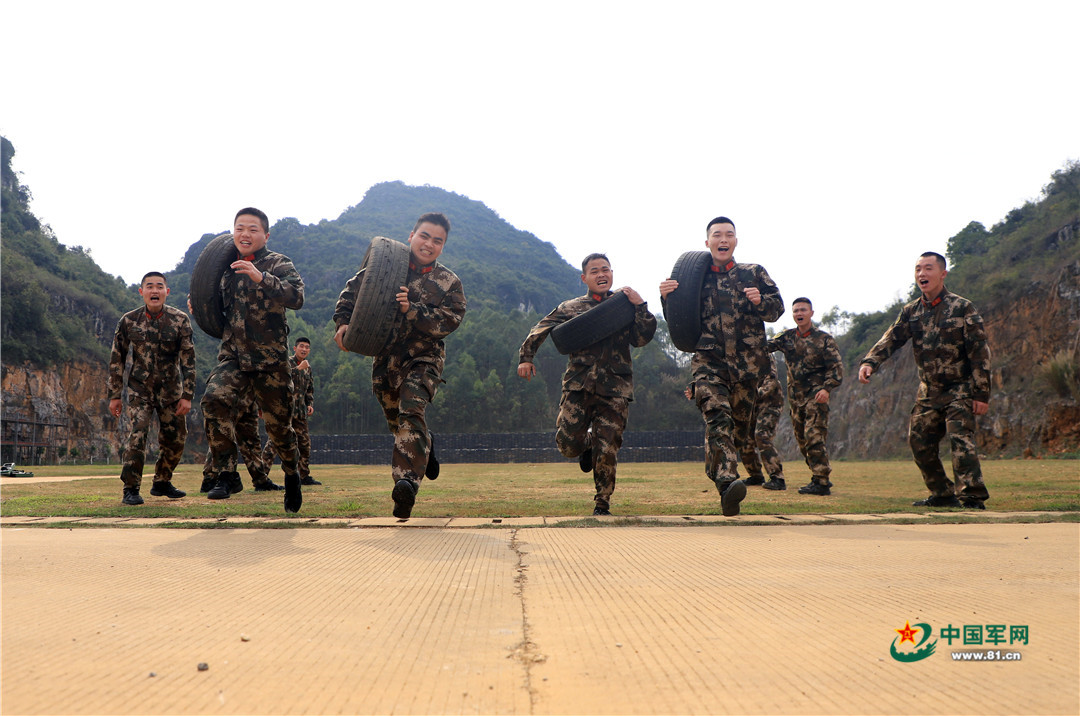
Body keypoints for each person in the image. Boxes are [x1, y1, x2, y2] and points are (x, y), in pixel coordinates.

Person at [333, 212, 466, 519]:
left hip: (424, 358)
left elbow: (448, 322)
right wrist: (342, 324)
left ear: (443, 246)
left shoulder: (449, 283)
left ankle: (406, 485)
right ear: (411, 235)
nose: (429, 244)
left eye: (437, 241)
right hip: (385, 357)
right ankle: (425, 447)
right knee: (398, 422)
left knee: (411, 409)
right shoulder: (387, 265)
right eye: (424, 236)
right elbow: (352, 292)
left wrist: (412, 309)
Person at [660, 216, 784, 516]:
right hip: (709, 363)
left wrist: (760, 301)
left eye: (729, 234)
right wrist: (666, 298)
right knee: (718, 418)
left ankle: (718, 472)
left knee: (739, 434)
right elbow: (678, 322)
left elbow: (777, 309)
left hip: (748, 368)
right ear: (707, 242)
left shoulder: (754, 273)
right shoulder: (694, 279)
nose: (723, 239)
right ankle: (728, 483)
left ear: (736, 241)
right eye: (717, 235)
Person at [518, 254, 657, 515]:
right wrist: (526, 358)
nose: (601, 274)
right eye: (594, 271)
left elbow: (642, 338)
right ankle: (586, 445)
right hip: (578, 386)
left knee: (609, 445)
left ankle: (602, 503)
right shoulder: (570, 307)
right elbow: (542, 327)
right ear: (584, 278)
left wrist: (640, 306)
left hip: (615, 388)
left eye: (606, 270)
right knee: (568, 443)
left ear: (612, 273)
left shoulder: (625, 306)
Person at [858, 252, 992, 509]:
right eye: (918, 269)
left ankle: (972, 496)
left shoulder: (962, 307)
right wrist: (869, 362)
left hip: (960, 388)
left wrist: (981, 393)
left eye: (928, 268)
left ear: (942, 274)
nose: (922, 274)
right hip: (928, 391)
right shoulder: (912, 311)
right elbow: (891, 338)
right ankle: (942, 494)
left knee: (960, 440)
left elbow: (980, 353)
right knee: (919, 440)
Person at [201, 207, 305, 513]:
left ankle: (292, 474)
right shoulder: (224, 267)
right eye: (240, 228)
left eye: (253, 229)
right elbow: (219, 309)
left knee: (279, 428)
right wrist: (202, 309)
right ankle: (227, 472)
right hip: (234, 354)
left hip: (270, 360)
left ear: (266, 235)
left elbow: (297, 297)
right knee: (213, 399)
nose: (245, 234)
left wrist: (263, 278)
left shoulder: (278, 262)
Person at [107, 272, 195, 505]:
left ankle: (162, 481)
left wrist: (187, 395)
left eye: (159, 287)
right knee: (137, 435)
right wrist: (114, 395)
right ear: (141, 291)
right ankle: (131, 488)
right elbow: (117, 359)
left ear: (167, 291)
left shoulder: (180, 320)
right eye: (149, 287)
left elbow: (188, 359)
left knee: (176, 438)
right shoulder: (129, 321)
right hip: (140, 390)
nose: (154, 291)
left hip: (171, 392)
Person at [766, 297, 843, 495]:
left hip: (815, 396)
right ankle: (819, 474)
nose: (799, 314)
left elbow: (835, 368)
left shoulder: (824, 339)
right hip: (795, 398)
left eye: (803, 310)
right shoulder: (787, 337)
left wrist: (826, 389)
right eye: (795, 311)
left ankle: (821, 481)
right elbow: (766, 346)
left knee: (813, 436)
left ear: (811, 313)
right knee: (802, 440)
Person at [262, 337, 319, 485]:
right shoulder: (286, 363)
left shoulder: (308, 367)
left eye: (307, 347)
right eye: (301, 346)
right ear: (295, 348)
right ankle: (261, 477)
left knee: (304, 445)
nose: (304, 349)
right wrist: (299, 369)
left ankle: (304, 476)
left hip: (300, 413)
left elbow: (310, 389)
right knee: (274, 443)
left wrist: (310, 403)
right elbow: (281, 380)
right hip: (284, 411)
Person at [200, 391, 283, 493]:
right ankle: (259, 481)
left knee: (223, 440)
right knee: (238, 441)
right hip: (234, 398)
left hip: (231, 398)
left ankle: (210, 480)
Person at [740, 355, 787, 490]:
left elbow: (771, 379)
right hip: (751, 407)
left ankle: (777, 478)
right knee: (744, 439)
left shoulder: (764, 354)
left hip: (770, 404)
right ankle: (755, 475)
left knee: (762, 435)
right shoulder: (737, 356)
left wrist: (755, 394)